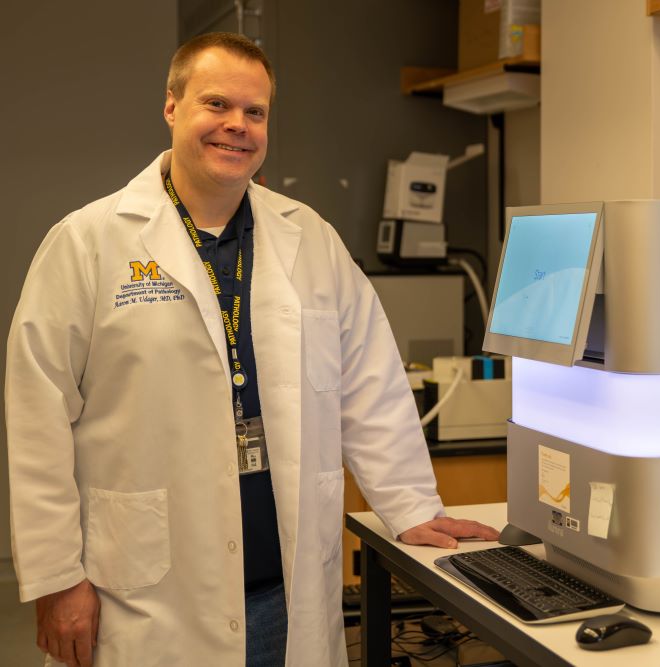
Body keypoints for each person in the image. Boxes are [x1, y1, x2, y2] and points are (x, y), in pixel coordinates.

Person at [6, 32, 499, 667]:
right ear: (172, 107)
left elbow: (368, 381)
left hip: (284, 590)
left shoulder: (310, 238)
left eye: (255, 111)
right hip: (143, 596)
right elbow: (35, 413)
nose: (237, 126)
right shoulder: (87, 242)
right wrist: (56, 577)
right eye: (216, 104)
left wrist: (409, 506)